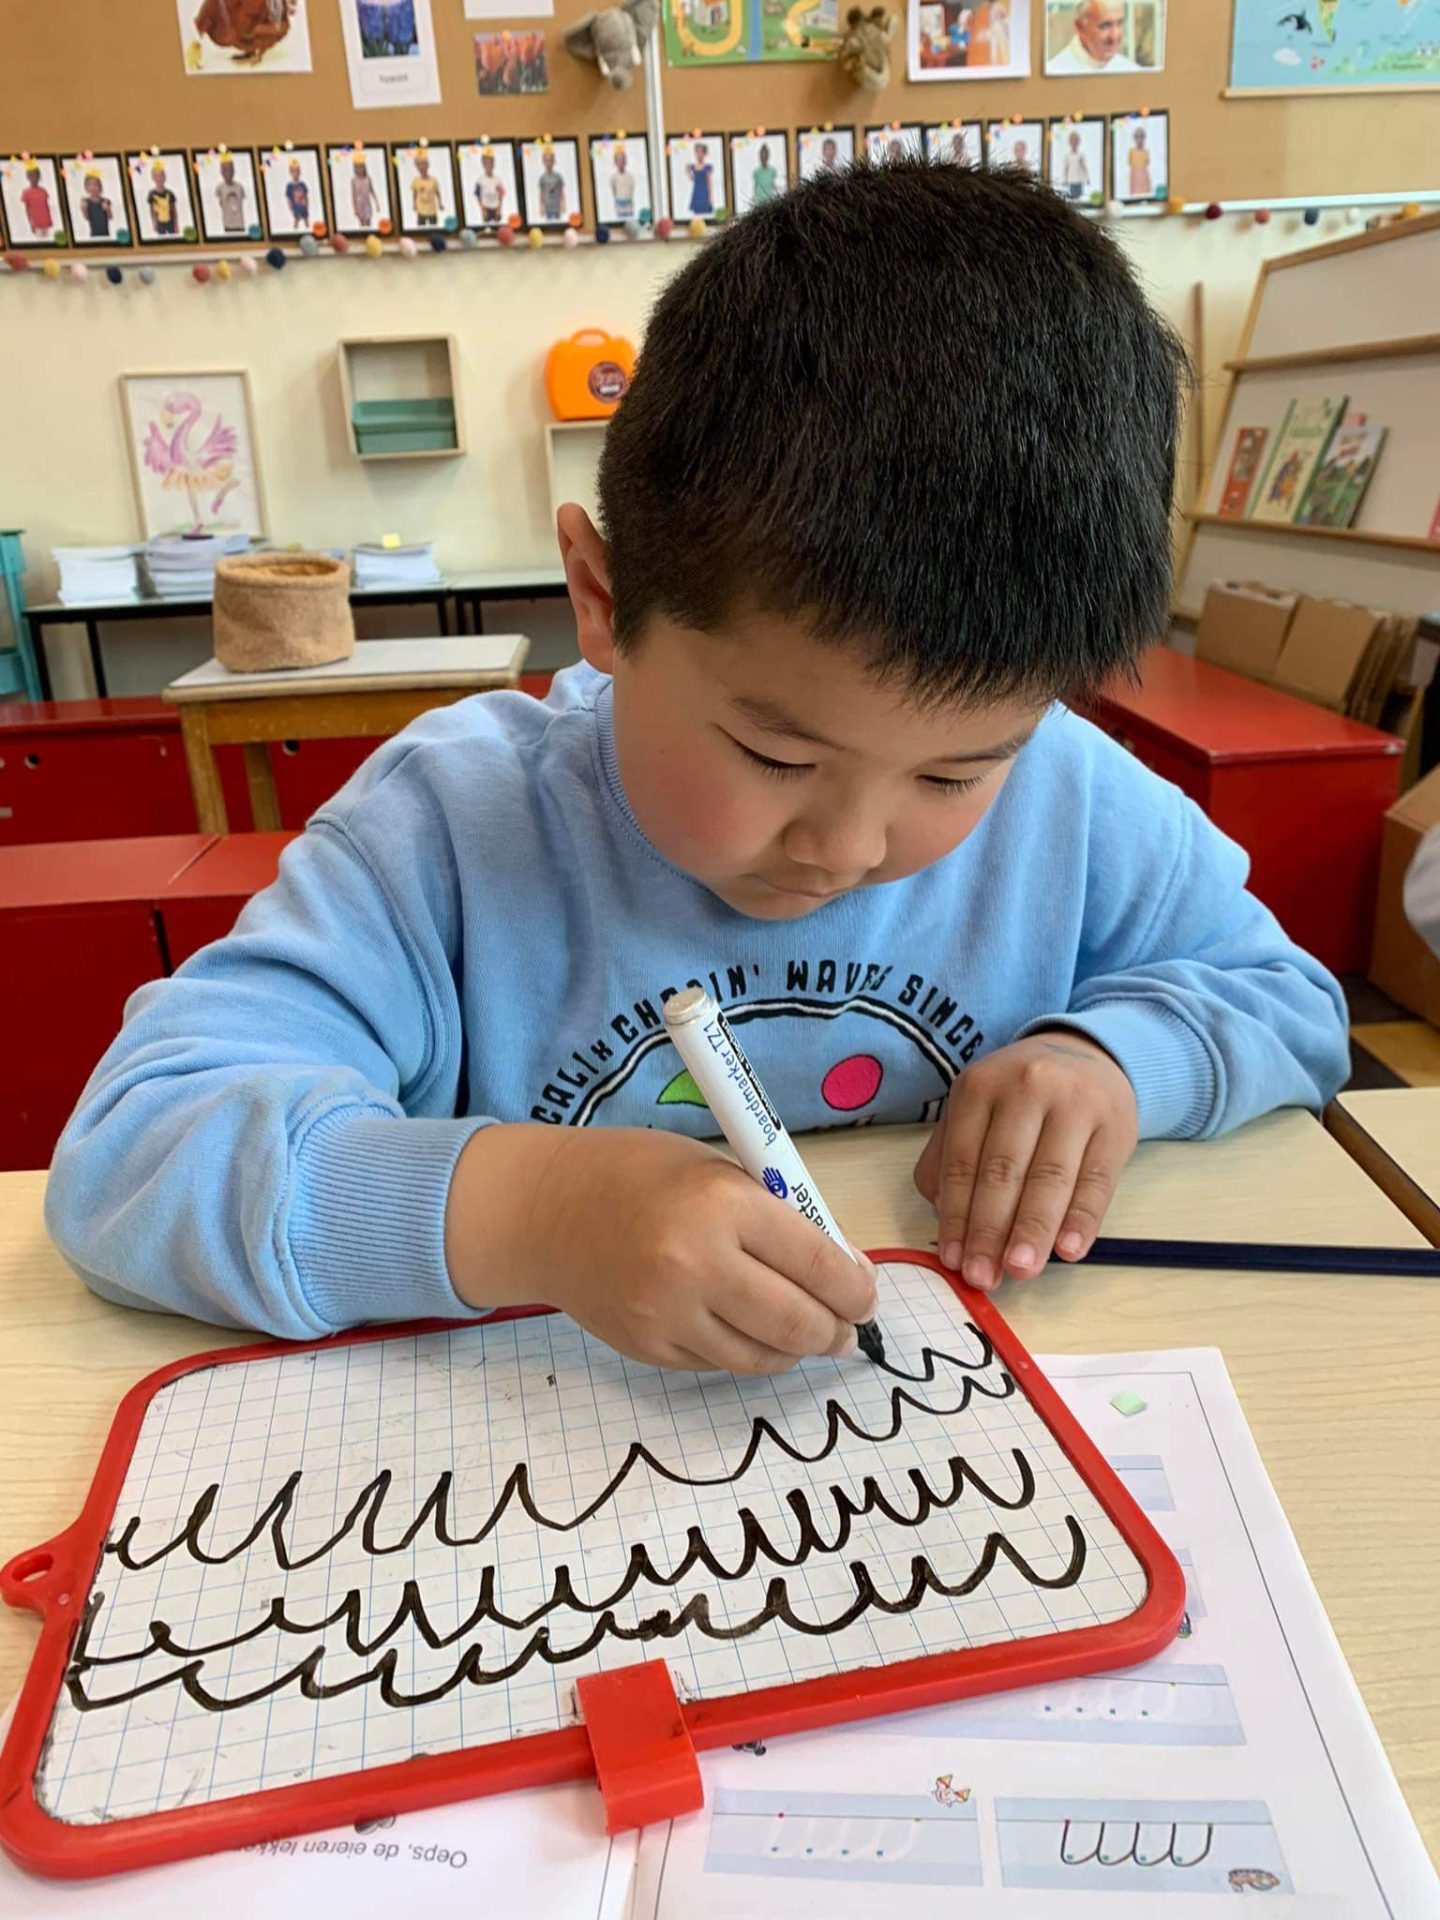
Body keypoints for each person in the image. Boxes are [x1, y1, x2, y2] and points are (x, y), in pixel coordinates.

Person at [48, 162, 1349, 1373]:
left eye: (953, 777)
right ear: (602, 599)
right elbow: (131, 1159)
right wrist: (530, 1211)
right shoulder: (448, 831)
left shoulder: (1070, 794)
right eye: (777, 751)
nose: (849, 847)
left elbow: (1287, 1000)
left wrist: (1111, 1061)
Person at [1049, 0, 1142, 72]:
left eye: (1119, 23)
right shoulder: (1055, 72)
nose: (1114, 36)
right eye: (1104, 26)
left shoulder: (1132, 71)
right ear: (1079, 27)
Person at [215, 155, 248, 234]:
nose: (228, 173)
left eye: (231, 169)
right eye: (225, 170)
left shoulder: (239, 187)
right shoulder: (220, 188)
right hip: (228, 226)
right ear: (221, 172)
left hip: (240, 225)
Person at [20, 163, 54, 239]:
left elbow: (46, 206)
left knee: (47, 239)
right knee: (38, 240)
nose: (34, 178)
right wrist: (31, 223)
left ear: (39, 177)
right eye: (31, 176)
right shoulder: (26, 192)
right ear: (28, 177)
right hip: (36, 222)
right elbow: (27, 209)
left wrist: (49, 220)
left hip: (45, 221)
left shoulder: (43, 191)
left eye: (36, 176)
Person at [473, 148, 506, 225]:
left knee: (498, 223)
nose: (489, 166)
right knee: (486, 224)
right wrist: (482, 209)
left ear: (494, 164)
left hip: (495, 207)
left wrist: (499, 208)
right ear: (483, 165)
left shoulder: (497, 180)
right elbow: (478, 195)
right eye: (487, 163)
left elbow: (501, 194)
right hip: (486, 208)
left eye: (491, 163)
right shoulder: (480, 180)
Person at [410, 152, 443, 226]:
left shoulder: (433, 180)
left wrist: (440, 204)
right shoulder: (416, 181)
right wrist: (414, 204)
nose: (422, 170)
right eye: (420, 168)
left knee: (434, 226)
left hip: (432, 209)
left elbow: (437, 192)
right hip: (421, 209)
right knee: (421, 227)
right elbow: (414, 194)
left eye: (424, 167)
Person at [79, 170, 113, 239]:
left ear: (100, 187)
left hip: (106, 234)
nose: (92, 187)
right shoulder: (86, 202)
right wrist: (83, 209)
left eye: (95, 185)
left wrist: (107, 209)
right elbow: (87, 218)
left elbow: (110, 217)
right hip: (93, 234)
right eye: (89, 185)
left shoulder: (105, 201)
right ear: (86, 187)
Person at [147, 162, 179, 236]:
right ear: (153, 178)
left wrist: (176, 224)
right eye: (156, 176)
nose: (159, 179)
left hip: (170, 222)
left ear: (164, 177)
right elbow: (152, 211)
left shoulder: (170, 193)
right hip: (160, 223)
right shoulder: (152, 194)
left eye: (161, 176)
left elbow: (174, 210)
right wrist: (154, 222)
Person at [536, 146, 566, 221]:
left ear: (554, 161)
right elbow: (541, 193)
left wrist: (562, 203)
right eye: (546, 160)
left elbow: (561, 191)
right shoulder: (542, 178)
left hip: (557, 206)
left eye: (550, 160)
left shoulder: (558, 177)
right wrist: (541, 207)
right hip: (547, 207)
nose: (548, 163)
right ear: (543, 162)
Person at [1059, 129, 1090, 198]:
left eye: (1076, 140)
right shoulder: (1067, 156)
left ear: (1078, 142)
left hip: (1079, 180)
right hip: (1071, 180)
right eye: (1072, 140)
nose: (1074, 142)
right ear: (1069, 142)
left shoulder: (1081, 155)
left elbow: (1084, 167)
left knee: (1079, 197)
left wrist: (1087, 178)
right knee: (1073, 197)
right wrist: (1065, 180)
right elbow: (1066, 169)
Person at [687, 141, 714, 216]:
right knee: (697, 213)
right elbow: (692, 179)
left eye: (700, 152)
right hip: (696, 192)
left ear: (704, 153)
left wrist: (710, 197)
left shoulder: (707, 167)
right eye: (697, 152)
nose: (698, 154)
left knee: (706, 211)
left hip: (704, 192)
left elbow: (709, 182)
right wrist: (688, 171)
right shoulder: (693, 167)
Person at [610, 147, 636, 222]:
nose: (621, 162)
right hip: (619, 206)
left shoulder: (630, 176)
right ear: (615, 162)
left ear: (625, 161)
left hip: (629, 206)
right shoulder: (613, 177)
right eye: (618, 160)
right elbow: (613, 190)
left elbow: (632, 190)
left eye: (622, 160)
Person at [1127, 126, 1153, 199]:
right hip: (1134, 177)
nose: (1139, 139)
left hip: (1144, 178)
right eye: (1137, 136)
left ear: (1144, 138)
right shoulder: (1131, 151)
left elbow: (1147, 162)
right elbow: (1129, 162)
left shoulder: (1146, 152)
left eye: (1141, 136)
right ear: (1134, 138)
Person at [750, 142, 779, 206]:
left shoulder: (773, 171)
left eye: (765, 154)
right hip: (758, 202)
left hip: (770, 201)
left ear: (768, 156)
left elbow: (773, 186)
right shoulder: (756, 172)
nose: (763, 157)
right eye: (762, 154)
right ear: (759, 156)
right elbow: (755, 187)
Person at [285, 157, 310, 229]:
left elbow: (306, 197)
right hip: (295, 207)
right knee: (296, 221)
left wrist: (306, 206)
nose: (295, 173)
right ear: (290, 172)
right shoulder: (289, 186)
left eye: (297, 171)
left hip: (303, 207)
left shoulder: (302, 184)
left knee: (306, 220)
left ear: (299, 172)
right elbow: (289, 199)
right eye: (293, 171)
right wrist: (291, 208)